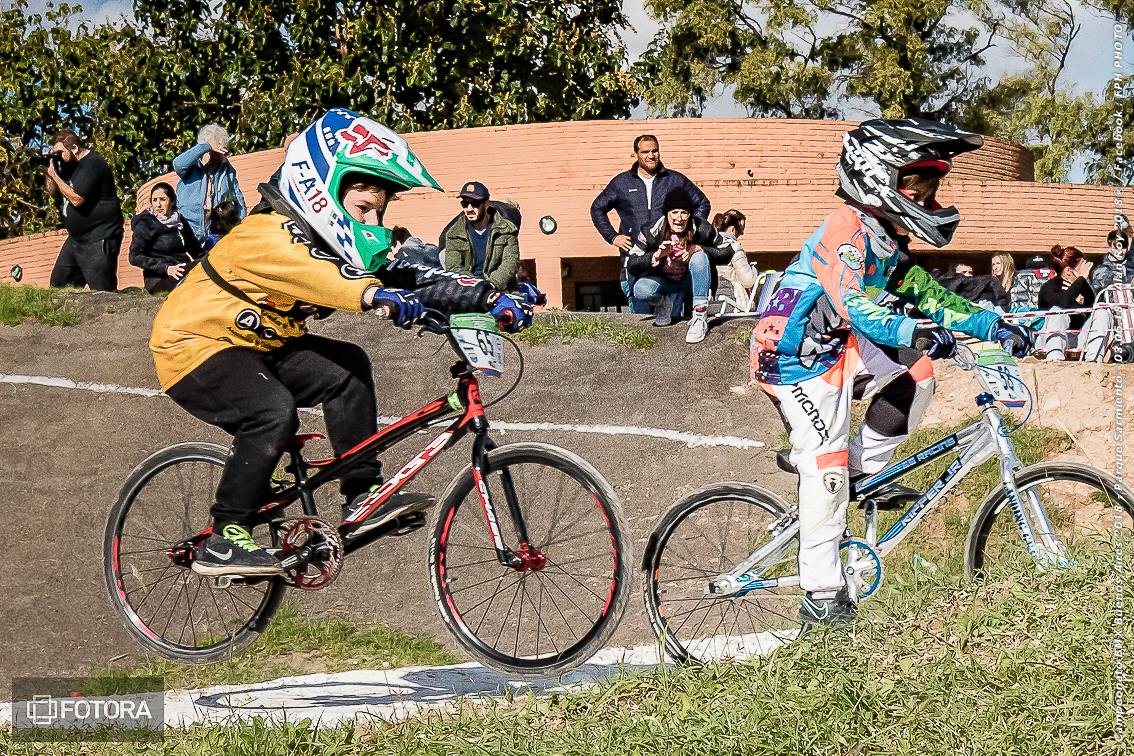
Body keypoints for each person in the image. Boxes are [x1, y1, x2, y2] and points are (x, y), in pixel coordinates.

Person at [149, 109, 532, 576]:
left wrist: (488, 297)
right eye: (363, 209)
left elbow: (411, 269)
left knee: (348, 368)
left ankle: (361, 492)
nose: (372, 220)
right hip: (194, 343)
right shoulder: (265, 233)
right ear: (324, 191)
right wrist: (373, 295)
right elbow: (323, 277)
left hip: (262, 347)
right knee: (270, 410)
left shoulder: (330, 239)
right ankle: (225, 536)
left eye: (378, 211)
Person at [751, 118, 1032, 626]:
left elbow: (932, 295)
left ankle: (865, 470)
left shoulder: (885, 238)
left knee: (919, 374)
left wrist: (995, 325)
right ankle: (820, 590)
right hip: (789, 357)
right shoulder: (845, 231)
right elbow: (856, 305)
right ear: (877, 177)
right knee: (826, 463)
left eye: (932, 189)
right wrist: (913, 331)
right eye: (919, 187)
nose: (929, 199)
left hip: (836, 345)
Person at [590, 135, 711, 305]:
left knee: (673, 320)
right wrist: (612, 237)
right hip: (637, 260)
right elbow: (597, 208)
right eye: (645, 151)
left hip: (670, 260)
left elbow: (702, 203)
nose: (651, 155)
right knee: (640, 312)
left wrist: (688, 232)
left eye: (655, 150)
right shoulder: (621, 183)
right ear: (636, 154)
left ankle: (673, 310)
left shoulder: (675, 180)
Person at [626, 188, 729, 343]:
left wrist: (699, 248)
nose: (679, 218)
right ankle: (664, 305)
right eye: (674, 212)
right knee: (641, 289)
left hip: (691, 282)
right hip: (665, 281)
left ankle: (700, 316)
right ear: (667, 214)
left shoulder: (703, 228)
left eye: (684, 213)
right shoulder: (650, 230)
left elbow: (728, 250)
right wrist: (656, 255)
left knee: (699, 257)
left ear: (690, 215)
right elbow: (631, 262)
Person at [44, 128, 124, 291]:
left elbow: (77, 199)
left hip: (99, 236)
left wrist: (56, 176)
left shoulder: (93, 163)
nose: (57, 157)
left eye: (59, 153)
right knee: (58, 287)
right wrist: (49, 170)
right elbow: (51, 191)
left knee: (103, 292)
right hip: (76, 239)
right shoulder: (67, 166)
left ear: (74, 148)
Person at [172, 124, 247, 242]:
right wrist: (206, 146)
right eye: (214, 151)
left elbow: (238, 198)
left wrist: (240, 223)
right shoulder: (192, 166)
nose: (218, 156)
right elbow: (178, 164)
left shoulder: (227, 170)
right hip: (188, 231)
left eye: (221, 151)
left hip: (216, 232)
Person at [1036, 245, 1111, 361]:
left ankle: (1094, 359)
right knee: (1057, 311)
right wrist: (1081, 279)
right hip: (1049, 342)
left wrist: (1083, 287)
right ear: (1068, 271)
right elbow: (1064, 303)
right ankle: (1054, 358)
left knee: (1102, 312)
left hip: (1077, 340)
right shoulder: (1049, 287)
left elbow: (1092, 309)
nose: (1088, 270)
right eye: (1083, 266)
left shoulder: (1083, 286)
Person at [440, 181, 519, 291]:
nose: (469, 209)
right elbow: (453, 267)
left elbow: (510, 263)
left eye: (475, 204)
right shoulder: (453, 234)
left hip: (501, 290)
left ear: (486, 204)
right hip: (468, 291)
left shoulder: (506, 230)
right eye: (465, 204)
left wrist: (491, 286)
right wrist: (476, 287)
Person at [128, 182, 204, 294]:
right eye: (154, 200)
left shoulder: (180, 222)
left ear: (172, 201)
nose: (158, 205)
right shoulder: (145, 223)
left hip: (183, 270)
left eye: (162, 199)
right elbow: (134, 257)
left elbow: (196, 251)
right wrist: (166, 268)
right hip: (159, 280)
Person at [711, 209, 759, 306]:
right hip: (733, 301)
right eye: (741, 229)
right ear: (732, 229)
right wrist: (753, 269)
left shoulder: (705, 245)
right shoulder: (734, 247)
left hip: (711, 300)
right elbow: (748, 281)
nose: (742, 233)